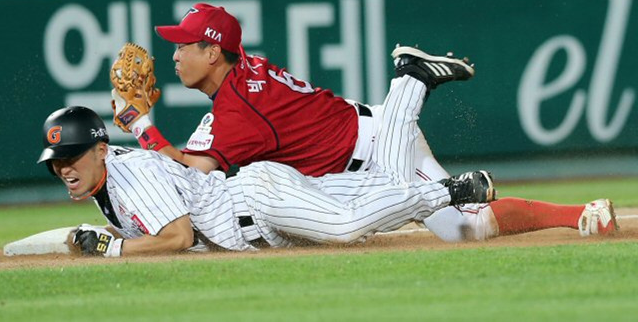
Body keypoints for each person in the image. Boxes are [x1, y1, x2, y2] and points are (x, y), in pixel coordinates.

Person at [115, 3, 618, 243]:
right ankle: (581, 214)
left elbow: (193, 172)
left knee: (461, 225)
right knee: (469, 226)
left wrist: (140, 124)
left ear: (214, 51)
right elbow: (213, 141)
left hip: (378, 149)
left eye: (185, 44)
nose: (174, 53)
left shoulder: (239, 111)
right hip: (354, 148)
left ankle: (410, 80)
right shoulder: (243, 78)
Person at [38, 70, 495, 256]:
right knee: (387, 183)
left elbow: (176, 236)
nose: (64, 168)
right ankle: (410, 83)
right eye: (57, 161)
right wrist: (140, 125)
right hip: (259, 207)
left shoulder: (125, 171)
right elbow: (172, 193)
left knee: (346, 228)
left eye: (71, 156)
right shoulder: (106, 177)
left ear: (99, 150)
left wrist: (113, 248)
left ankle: (449, 191)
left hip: (259, 202)